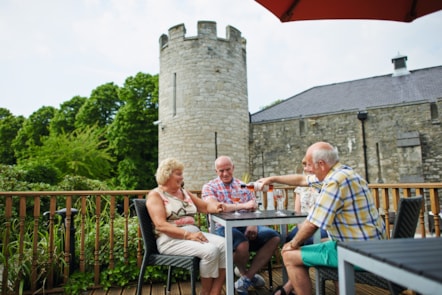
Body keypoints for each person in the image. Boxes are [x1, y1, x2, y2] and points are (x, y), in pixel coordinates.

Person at [258, 142, 386, 295]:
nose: (306, 170)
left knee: (289, 255)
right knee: (308, 249)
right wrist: (273, 179)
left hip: (359, 252)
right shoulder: (344, 172)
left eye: (309, 165)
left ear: (321, 164)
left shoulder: (335, 182)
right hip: (374, 246)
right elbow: (302, 180)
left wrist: (292, 244)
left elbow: (313, 223)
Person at [202, 155, 281, 295]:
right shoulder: (209, 187)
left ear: (233, 168)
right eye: (221, 171)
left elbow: (254, 207)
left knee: (274, 237)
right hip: (221, 228)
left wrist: (253, 224)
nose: (225, 173)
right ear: (216, 171)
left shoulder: (244, 186)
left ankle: (246, 278)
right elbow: (217, 207)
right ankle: (244, 273)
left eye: (228, 169)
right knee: (241, 243)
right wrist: (242, 205)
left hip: (246, 226)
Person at [146, 158, 226, 295]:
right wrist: (188, 235)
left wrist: (216, 206)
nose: (182, 177)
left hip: (192, 235)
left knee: (225, 244)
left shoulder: (184, 192)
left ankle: (215, 291)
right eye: (178, 173)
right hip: (170, 239)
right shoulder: (155, 195)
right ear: (167, 175)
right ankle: (205, 293)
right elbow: (161, 225)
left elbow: (205, 206)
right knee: (211, 251)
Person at [273, 159, 329, 295]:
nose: (307, 168)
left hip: (320, 226)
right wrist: (301, 227)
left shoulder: (325, 184)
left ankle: (288, 287)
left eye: (310, 165)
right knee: (287, 240)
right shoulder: (300, 187)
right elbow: (297, 211)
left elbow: (324, 215)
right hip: (303, 224)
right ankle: (294, 283)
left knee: (302, 245)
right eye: (305, 165)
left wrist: (306, 230)